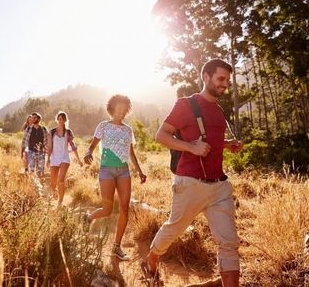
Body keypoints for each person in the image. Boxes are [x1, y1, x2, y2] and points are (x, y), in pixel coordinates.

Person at [145, 59, 243, 287]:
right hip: (190, 183)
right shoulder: (186, 105)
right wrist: (191, 147)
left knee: (229, 243)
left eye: (227, 80)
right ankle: (151, 258)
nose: (225, 84)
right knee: (173, 229)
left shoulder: (218, 110)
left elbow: (211, 141)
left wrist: (228, 144)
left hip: (219, 186)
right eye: (220, 79)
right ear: (206, 77)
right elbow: (161, 135)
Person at [83, 94, 147, 261]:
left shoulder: (128, 130)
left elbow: (131, 153)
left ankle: (116, 247)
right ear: (112, 109)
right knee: (108, 209)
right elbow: (92, 145)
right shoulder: (103, 126)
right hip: (106, 171)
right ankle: (88, 218)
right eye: (118, 109)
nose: (121, 113)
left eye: (124, 110)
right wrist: (88, 152)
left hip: (124, 171)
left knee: (125, 208)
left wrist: (140, 171)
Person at [47, 111, 83, 206]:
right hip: (54, 158)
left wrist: (79, 160)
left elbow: (72, 146)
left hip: (64, 158)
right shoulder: (52, 132)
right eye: (59, 119)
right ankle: (55, 193)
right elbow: (50, 146)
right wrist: (48, 159)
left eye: (62, 119)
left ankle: (60, 202)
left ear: (65, 121)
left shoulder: (68, 132)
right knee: (52, 183)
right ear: (57, 120)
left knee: (61, 180)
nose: (60, 121)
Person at [21, 112, 48, 178]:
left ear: (39, 119)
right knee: (31, 170)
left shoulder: (43, 129)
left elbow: (47, 142)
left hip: (41, 152)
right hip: (31, 152)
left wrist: (48, 153)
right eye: (32, 118)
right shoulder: (29, 129)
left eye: (34, 118)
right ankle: (33, 185)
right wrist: (22, 152)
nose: (32, 119)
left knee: (40, 171)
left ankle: (40, 185)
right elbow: (24, 141)